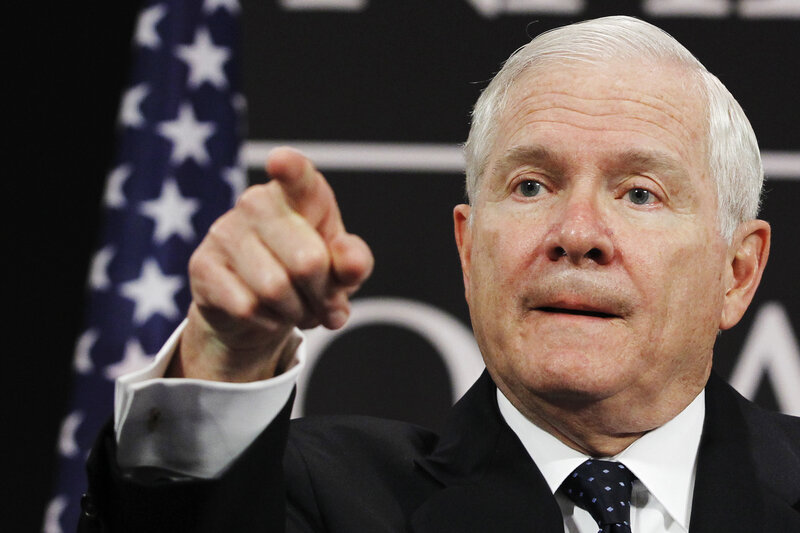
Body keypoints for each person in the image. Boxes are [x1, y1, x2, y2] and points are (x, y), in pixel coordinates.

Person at [80, 15, 799, 533]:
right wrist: (223, 357)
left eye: (640, 193)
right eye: (530, 185)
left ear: (737, 272)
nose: (577, 234)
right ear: (468, 248)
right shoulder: (315, 497)